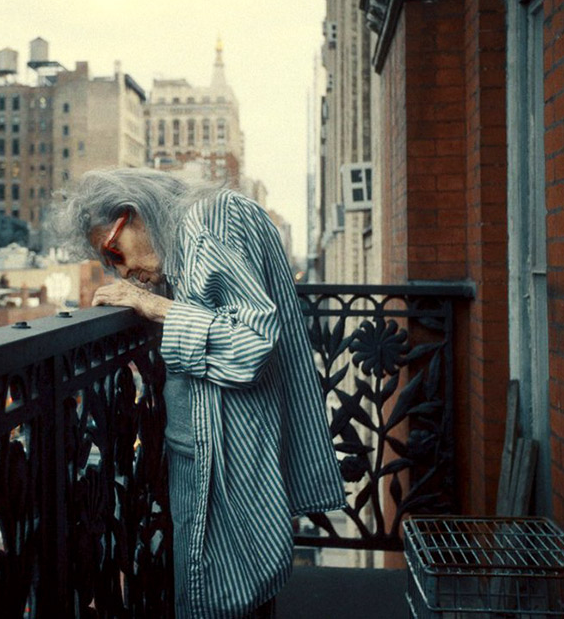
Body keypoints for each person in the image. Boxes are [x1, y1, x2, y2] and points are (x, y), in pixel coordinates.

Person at [50, 168, 345, 619]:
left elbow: (251, 343)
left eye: (115, 251)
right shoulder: (196, 230)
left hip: (230, 460)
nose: (123, 271)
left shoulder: (207, 220)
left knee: (225, 597)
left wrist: (153, 305)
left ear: (135, 213)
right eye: (109, 265)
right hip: (221, 456)